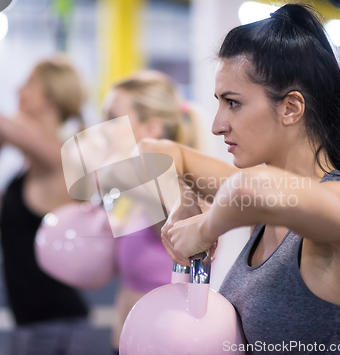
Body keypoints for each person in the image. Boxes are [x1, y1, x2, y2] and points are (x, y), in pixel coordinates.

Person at [139, 4, 340, 354]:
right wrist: (183, 206)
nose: (217, 125)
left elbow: (251, 188)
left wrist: (202, 231)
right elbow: (155, 152)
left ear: (291, 108)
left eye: (233, 103)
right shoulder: (264, 204)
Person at [0, 56, 93, 355]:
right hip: (36, 324)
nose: (19, 90)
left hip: (53, 326)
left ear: (51, 95)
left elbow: (0, 126)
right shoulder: (33, 166)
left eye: (29, 83)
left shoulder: (62, 161)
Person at [100, 70, 204, 355]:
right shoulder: (135, 193)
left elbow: (171, 194)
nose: (101, 128)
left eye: (112, 119)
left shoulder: (173, 185)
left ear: (152, 129)